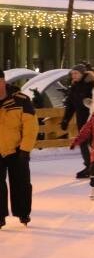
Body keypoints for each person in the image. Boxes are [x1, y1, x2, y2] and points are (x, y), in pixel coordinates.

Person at [0, 76, 36, 229]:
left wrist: (25, 149)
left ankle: (23, 213)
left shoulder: (21, 100)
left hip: (17, 150)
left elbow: (31, 126)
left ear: (3, 81)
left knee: (21, 183)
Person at [63, 66, 94, 178]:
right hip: (81, 119)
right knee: (83, 143)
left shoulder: (91, 85)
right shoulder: (74, 87)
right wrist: (66, 119)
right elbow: (70, 105)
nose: (74, 76)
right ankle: (90, 166)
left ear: (83, 73)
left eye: (76, 73)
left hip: (93, 119)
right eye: (72, 73)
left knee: (93, 143)